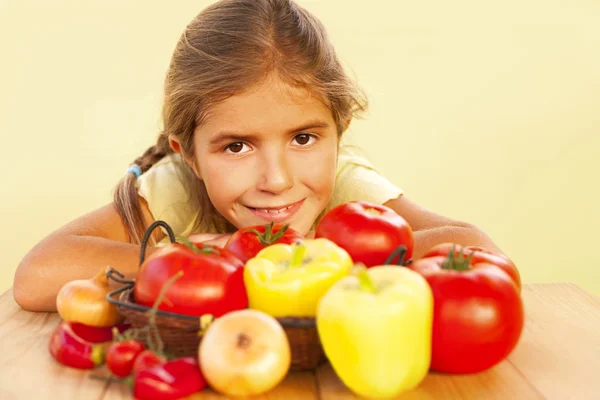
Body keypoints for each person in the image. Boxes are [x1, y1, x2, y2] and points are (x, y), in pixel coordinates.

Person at [13, 0, 504, 312]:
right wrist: (206, 262)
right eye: (237, 146)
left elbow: (484, 253)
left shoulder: (349, 192)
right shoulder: (175, 190)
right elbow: (36, 277)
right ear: (190, 156)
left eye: (305, 139)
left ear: (339, 132)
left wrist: (322, 262)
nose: (276, 179)